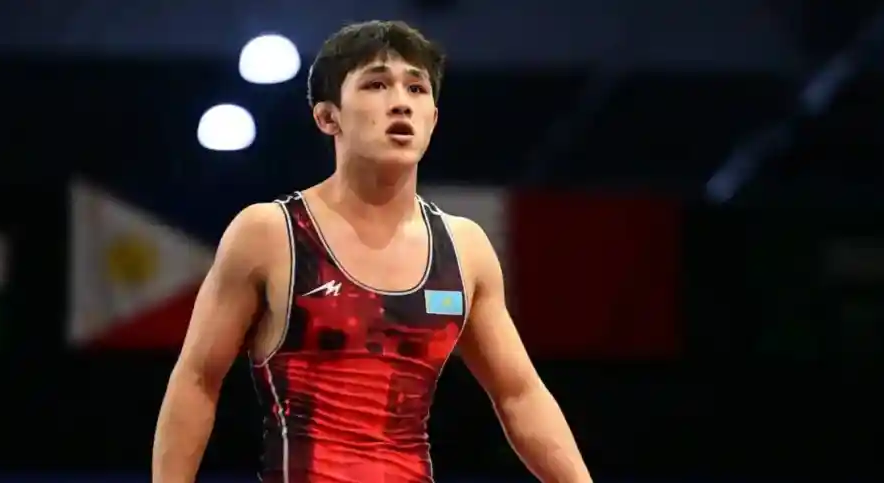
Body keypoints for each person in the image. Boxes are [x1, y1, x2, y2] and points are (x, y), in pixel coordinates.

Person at [152, 20, 592, 483]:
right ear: (328, 117)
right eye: (376, 84)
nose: (401, 102)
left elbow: (519, 395)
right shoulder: (270, 234)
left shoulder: (465, 249)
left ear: (433, 119)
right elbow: (197, 380)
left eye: (416, 88)